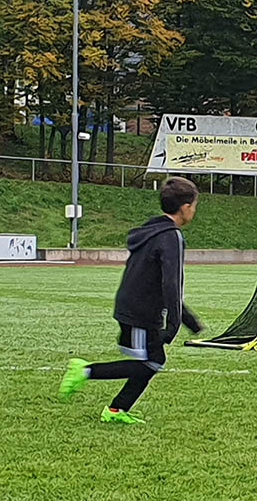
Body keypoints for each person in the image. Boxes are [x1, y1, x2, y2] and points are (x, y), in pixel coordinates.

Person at [58, 177, 204, 424]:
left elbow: (160, 282)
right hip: (140, 310)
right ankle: (84, 370)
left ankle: (116, 410)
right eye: (195, 205)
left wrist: (188, 319)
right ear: (185, 207)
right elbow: (171, 283)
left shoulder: (153, 229)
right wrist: (175, 325)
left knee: (152, 360)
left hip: (133, 305)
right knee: (151, 362)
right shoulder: (171, 236)